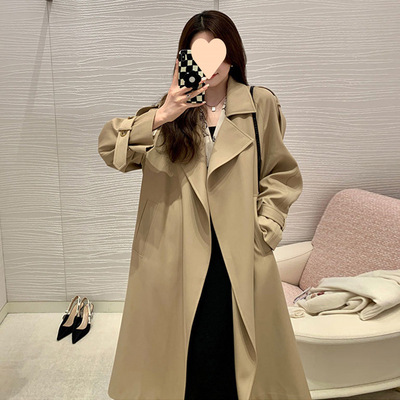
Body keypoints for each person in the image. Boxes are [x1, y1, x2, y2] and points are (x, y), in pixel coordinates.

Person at [98, 9, 312, 400]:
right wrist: (163, 114)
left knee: (234, 358)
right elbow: (111, 148)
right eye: (197, 55)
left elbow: (280, 173)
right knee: (188, 357)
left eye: (217, 52)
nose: (209, 65)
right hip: (177, 254)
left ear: (233, 54)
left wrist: (266, 228)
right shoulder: (170, 113)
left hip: (239, 252)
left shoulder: (259, 104)